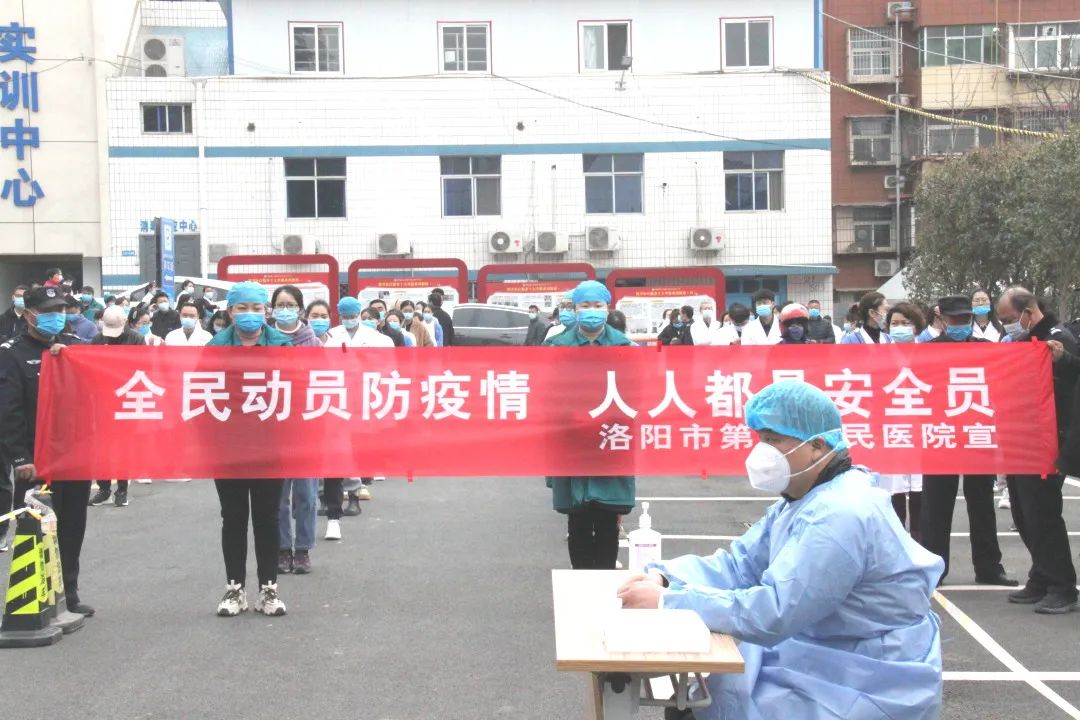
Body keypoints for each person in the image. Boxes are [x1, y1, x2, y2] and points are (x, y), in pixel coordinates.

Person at [618, 380, 943, 720]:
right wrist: (667, 578)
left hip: (866, 677)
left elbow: (775, 611)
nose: (763, 451)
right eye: (761, 439)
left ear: (816, 446)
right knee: (696, 700)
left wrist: (669, 602)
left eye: (773, 440)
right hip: (824, 654)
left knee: (699, 706)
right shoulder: (806, 498)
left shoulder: (840, 515)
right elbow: (740, 564)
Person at [0, 286, 95, 616]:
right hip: (36, 460)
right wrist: (20, 457)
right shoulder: (11, 353)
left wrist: (70, 359)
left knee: (72, 526)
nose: (57, 316)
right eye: (49, 311)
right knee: (36, 528)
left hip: (75, 455)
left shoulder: (76, 347)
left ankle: (69, 593)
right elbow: (9, 411)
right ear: (29, 315)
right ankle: (33, 598)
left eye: (62, 310)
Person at [918, 296, 1016, 588]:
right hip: (940, 435)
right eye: (955, 319)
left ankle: (989, 568)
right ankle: (935, 569)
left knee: (982, 504)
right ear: (942, 318)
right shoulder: (926, 352)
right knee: (936, 506)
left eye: (965, 319)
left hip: (976, 434)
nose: (960, 324)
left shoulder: (985, 348)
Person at [208, 281, 292, 617]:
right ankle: (235, 589)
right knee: (233, 518)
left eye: (256, 308)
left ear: (266, 312)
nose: (249, 315)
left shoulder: (283, 345)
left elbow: (299, 392)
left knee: (268, 518)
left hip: (271, 444)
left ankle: (269, 589)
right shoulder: (214, 347)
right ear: (230, 312)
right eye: (242, 308)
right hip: (227, 446)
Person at [996, 288, 1078, 613]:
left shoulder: (1059, 340)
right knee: (1022, 512)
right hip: (1022, 438)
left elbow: (1070, 384)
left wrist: (1060, 360)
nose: (1006, 325)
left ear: (1028, 313)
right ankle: (1041, 575)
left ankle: (1062, 586)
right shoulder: (1021, 342)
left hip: (1047, 440)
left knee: (1043, 514)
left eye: (1009, 319)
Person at [546, 281, 635, 569]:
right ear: (575, 309)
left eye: (598, 305)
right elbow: (544, 391)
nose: (592, 311)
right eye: (585, 306)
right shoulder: (556, 346)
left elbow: (638, 391)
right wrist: (568, 414)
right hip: (572, 440)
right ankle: (581, 583)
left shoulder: (624, 346)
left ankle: (605, 583)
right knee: (578, 519)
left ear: (608, 308)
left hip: (611, 438)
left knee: (608, 518)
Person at [87, 306, 148, 507]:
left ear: (125, 323)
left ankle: (122, 490)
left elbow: (144, 367)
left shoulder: (136, 339)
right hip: (103, 399)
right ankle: (103, 488)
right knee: (101, 447)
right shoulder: (98, 340)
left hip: (127, 398)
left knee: (123, 447)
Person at [881, 303, 925, 539]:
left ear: (916, 327)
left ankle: (919, 538)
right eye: (894, 323)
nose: (899, 328)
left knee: (920, 486)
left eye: (905, 323)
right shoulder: (878, 356)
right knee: (893, 487)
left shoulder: (929, 354)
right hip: (892, 429)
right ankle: (897, 540)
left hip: (921, 428)